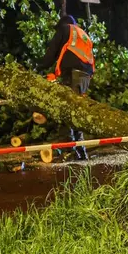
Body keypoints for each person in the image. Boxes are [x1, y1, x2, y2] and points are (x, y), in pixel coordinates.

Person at [41, 14, 95, 160]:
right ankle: (81, 151)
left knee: (65, 110)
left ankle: (68, 151)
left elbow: (51, 52)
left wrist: (39, 67)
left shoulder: (65, 29)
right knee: (75, 111)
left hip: (72, 73)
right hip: (86, 75)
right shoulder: (82, 34)